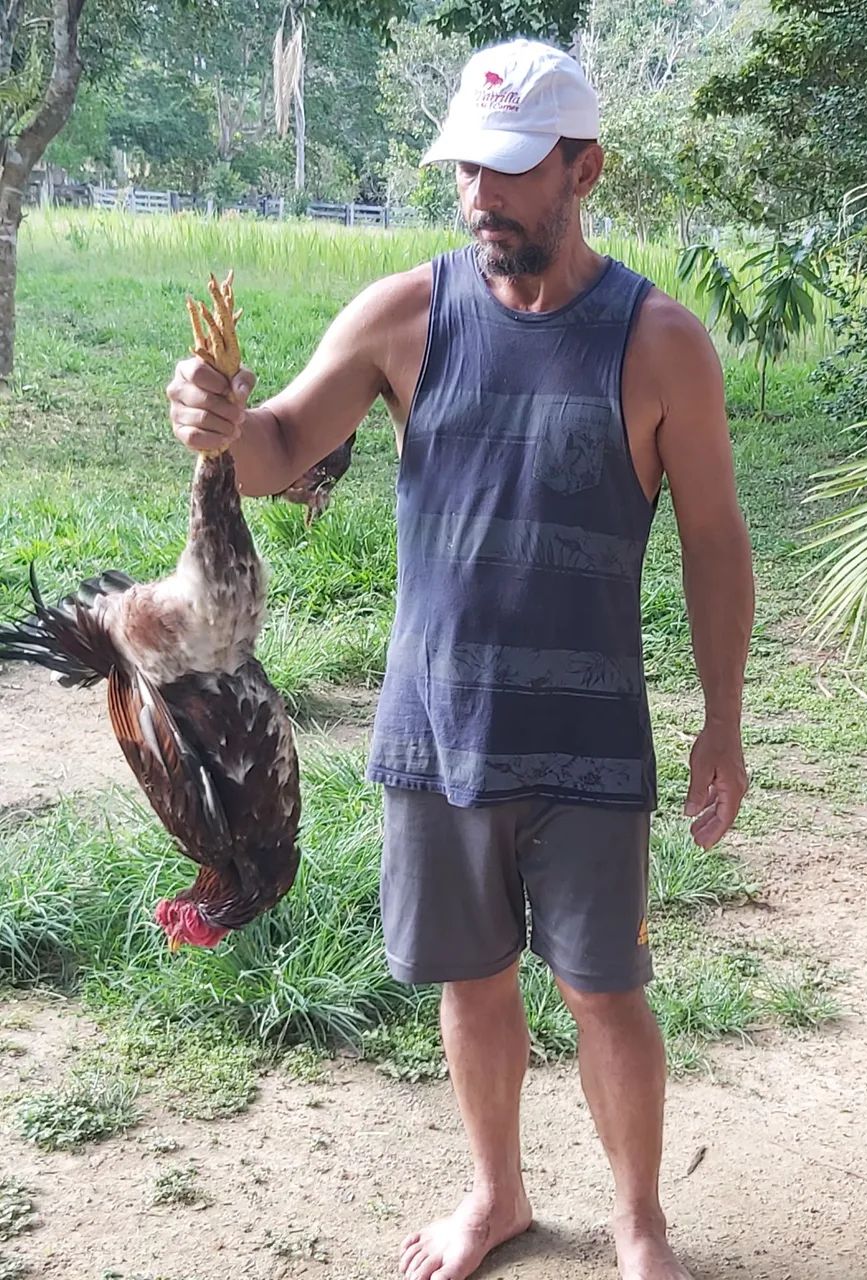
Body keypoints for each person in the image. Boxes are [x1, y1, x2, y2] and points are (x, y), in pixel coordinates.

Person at [167, 35, 754, 1280]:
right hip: (434, 731)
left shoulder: (660, 345)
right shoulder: (405, 315)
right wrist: (222, 426)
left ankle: (640, 1222)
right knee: (473, 978)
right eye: (466, 171)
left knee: (606, 991)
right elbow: (280, 446)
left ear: (584, 167)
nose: (481, 196)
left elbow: (714, 542)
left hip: (591, 746)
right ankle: (495, 1195)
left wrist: (724, 718)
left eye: (512, 169)